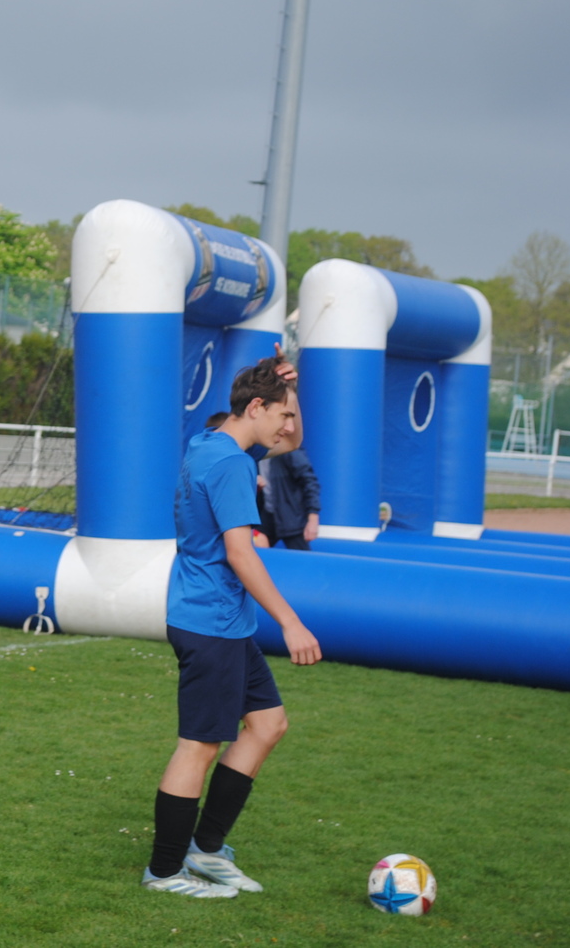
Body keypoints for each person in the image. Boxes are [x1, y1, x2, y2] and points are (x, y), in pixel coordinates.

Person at [143, 356, 323, 899]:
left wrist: (292, 393)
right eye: (282, 414)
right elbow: (241, 554)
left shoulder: (209, 442)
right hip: (210, 622)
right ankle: (164, 872)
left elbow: (292, 442)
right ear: (256, 407)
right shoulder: (230, 465)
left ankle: (206, 848)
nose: (287, 426)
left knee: (267, 725)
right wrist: (291, 623)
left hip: (223, 621)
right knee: (198, 747)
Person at [261, 448, 322, 550]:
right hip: (267, 515)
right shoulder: (255, 452)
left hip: (291, 518)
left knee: (301, 557)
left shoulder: (289, 450)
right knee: (255, 548)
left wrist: (313, 518)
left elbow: (310, 482)